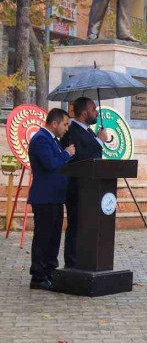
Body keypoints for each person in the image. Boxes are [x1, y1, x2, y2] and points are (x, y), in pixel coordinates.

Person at [27, 108, 76, 291]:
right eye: (64, 124)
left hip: (55, 197)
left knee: (54, 237)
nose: (66, 128)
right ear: (54, 123)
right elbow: (50, 164)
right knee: (43, 238)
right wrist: (66, 154)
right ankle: (38, 276)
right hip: (44, 198)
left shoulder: (53, 140)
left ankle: (49, 272)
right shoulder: (41, 139)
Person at [59, 97, 107, 269]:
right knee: (76, 224)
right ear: (85, 113)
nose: (97, 113)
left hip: (92, 187)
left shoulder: (88, 131)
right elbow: (79, 157)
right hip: (77, 187)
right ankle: (72, 262)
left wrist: (100, 140)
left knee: (87, 225)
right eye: (94, 109)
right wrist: (99, 141)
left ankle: (85, 259)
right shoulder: (72, 132)